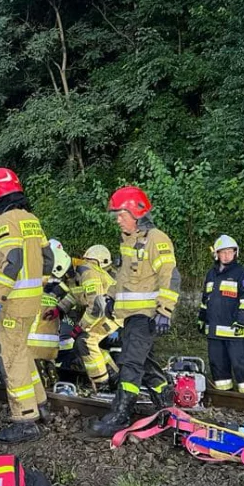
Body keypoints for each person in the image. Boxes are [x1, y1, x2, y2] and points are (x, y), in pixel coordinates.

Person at [91, 186, 181, 438]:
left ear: (136, 212)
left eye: (121, 214)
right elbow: (122, 276)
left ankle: (122, 413)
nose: (118, 219)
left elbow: (170, 277)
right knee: (144, 361)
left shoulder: (157, 240)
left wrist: (165, 310)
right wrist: (110, 297)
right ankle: (165, 399)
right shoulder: (128, 241)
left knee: (129, 362)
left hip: (147, 314)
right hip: (129, 315)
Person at [0, 167, 54, 443]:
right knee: (22, 352)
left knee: (11, 358)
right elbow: (47, 258)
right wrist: (36, 285)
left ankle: (25, 419)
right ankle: (40, 403)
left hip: (13, 302)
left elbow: (13, 261)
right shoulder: (30, 219)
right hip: (32, 300)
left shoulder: (7, 220)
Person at [199, 235, 244, 394]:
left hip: (235, 330)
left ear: (235, 253)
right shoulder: (211, 275)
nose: (226, 255)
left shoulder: (243, 275)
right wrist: (201, 318)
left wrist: (242, 321)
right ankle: (226, 397)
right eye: (223, 252)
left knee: (241, 363)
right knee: (217, 364)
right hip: (213, 330)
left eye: (230, 252)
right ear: (216, 254)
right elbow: (205, 300)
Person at [54, 245, 121, 390]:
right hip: (106, 312)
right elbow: (76, 295)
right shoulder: (75, 274)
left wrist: (80, 327)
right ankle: (113, 375)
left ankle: (101, 383)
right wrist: (60, 309)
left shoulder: (88, 273)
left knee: (85, 340)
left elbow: (96, 307)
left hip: (113, 314)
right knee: (82, 345)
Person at [29, 239, 71, 385]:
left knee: (33, 362)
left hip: (32, 341)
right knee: (48, 358)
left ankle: (41, 372)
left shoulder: (36, 281)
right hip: (52, 342)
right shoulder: (61, 285)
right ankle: (50, 370)